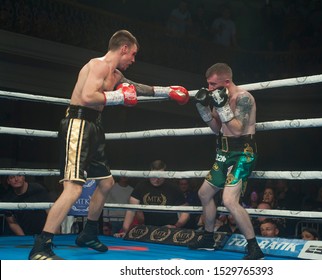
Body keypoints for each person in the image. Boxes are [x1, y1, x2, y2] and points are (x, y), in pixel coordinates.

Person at [28, 30, 189, 260]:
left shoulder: (115, 74)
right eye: (132, 54)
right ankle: (41, 245)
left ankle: (89, 232)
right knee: (73, 188)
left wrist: (168, 91)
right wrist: (119, 97)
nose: (133, 60)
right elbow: (87, 96)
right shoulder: (97, 65)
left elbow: (138, 88)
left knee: (106, 183)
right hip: (79, 123)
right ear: (123, 48)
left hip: (94, 127)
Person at [189, 62, 263, 259]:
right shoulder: (217, 97)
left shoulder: (243, 98)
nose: (209, 88)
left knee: (229, 200)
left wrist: (222, 106)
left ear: (227, 81)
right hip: (223, 150)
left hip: (243, 152)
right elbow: (216, 128)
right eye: (208, 84)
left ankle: (254, 247)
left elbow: (238, 130)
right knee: (204, 193)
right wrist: (203, 109)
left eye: (213, 84)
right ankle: (208, 238)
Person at [118, 160, 190, 235]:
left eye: (160, 176)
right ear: (149, 173)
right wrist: (125, 230)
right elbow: (131, 210)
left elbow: (186, 211)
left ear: (165, 174)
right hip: (148, 230)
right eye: (154, 176)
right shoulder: (141, 186)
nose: (157, 179)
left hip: (169, 230)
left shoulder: (173, 188)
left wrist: (175, 226)